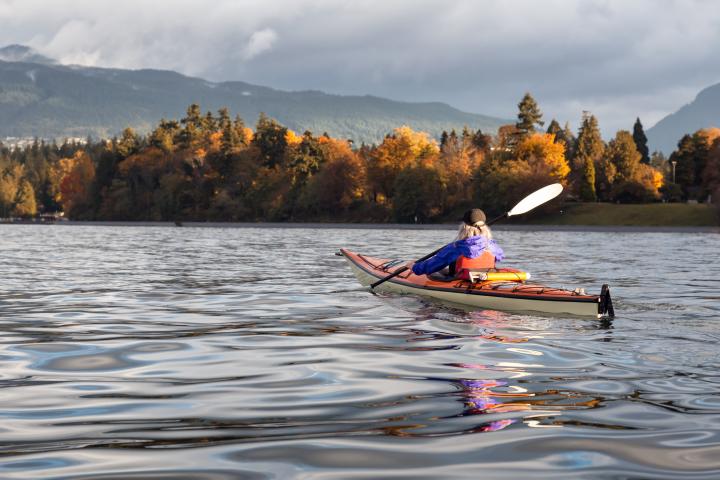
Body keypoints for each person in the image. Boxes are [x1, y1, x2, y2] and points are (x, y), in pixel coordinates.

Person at [411, 208, 505, 280]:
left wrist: (414, 267)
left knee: (433, 270)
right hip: (484, 277)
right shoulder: (493, 246)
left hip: (461, 280)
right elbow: (499, 256)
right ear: (485, 227)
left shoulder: (456, 247)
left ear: (464, 228)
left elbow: (434, 264)